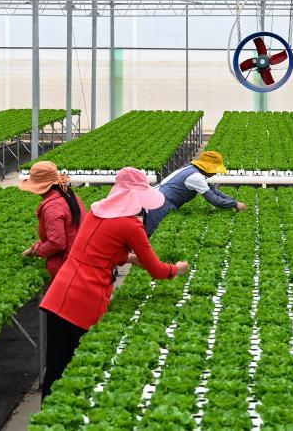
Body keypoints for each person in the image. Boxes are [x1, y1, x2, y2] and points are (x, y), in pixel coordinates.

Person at [39, 167, 190, 399]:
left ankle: (49, 413)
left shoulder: (97, 211)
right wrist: (176, 269)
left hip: (59, 294)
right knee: (84, 367)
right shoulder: (131, 226)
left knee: (57, 368)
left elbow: (98, 250)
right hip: (84, 299)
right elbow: (157, 271)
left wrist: (130, 258)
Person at [142, 151, 247, 236]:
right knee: (155, 236)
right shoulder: (196, 177)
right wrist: (234, 204)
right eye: (215, 169)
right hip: (159, 205)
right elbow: (213, 199)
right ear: (207, 167)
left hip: (157, 199)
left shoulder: (192, 169)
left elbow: (214, 191)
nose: (215, 172)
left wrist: (234, 201)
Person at [19, 161, 86, 279]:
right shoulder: (68, 194)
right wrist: (34, 247)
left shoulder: (52, 207)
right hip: (81, 256)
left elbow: (57, 243)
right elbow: (65, 232)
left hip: (66, 265)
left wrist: (37, 251)